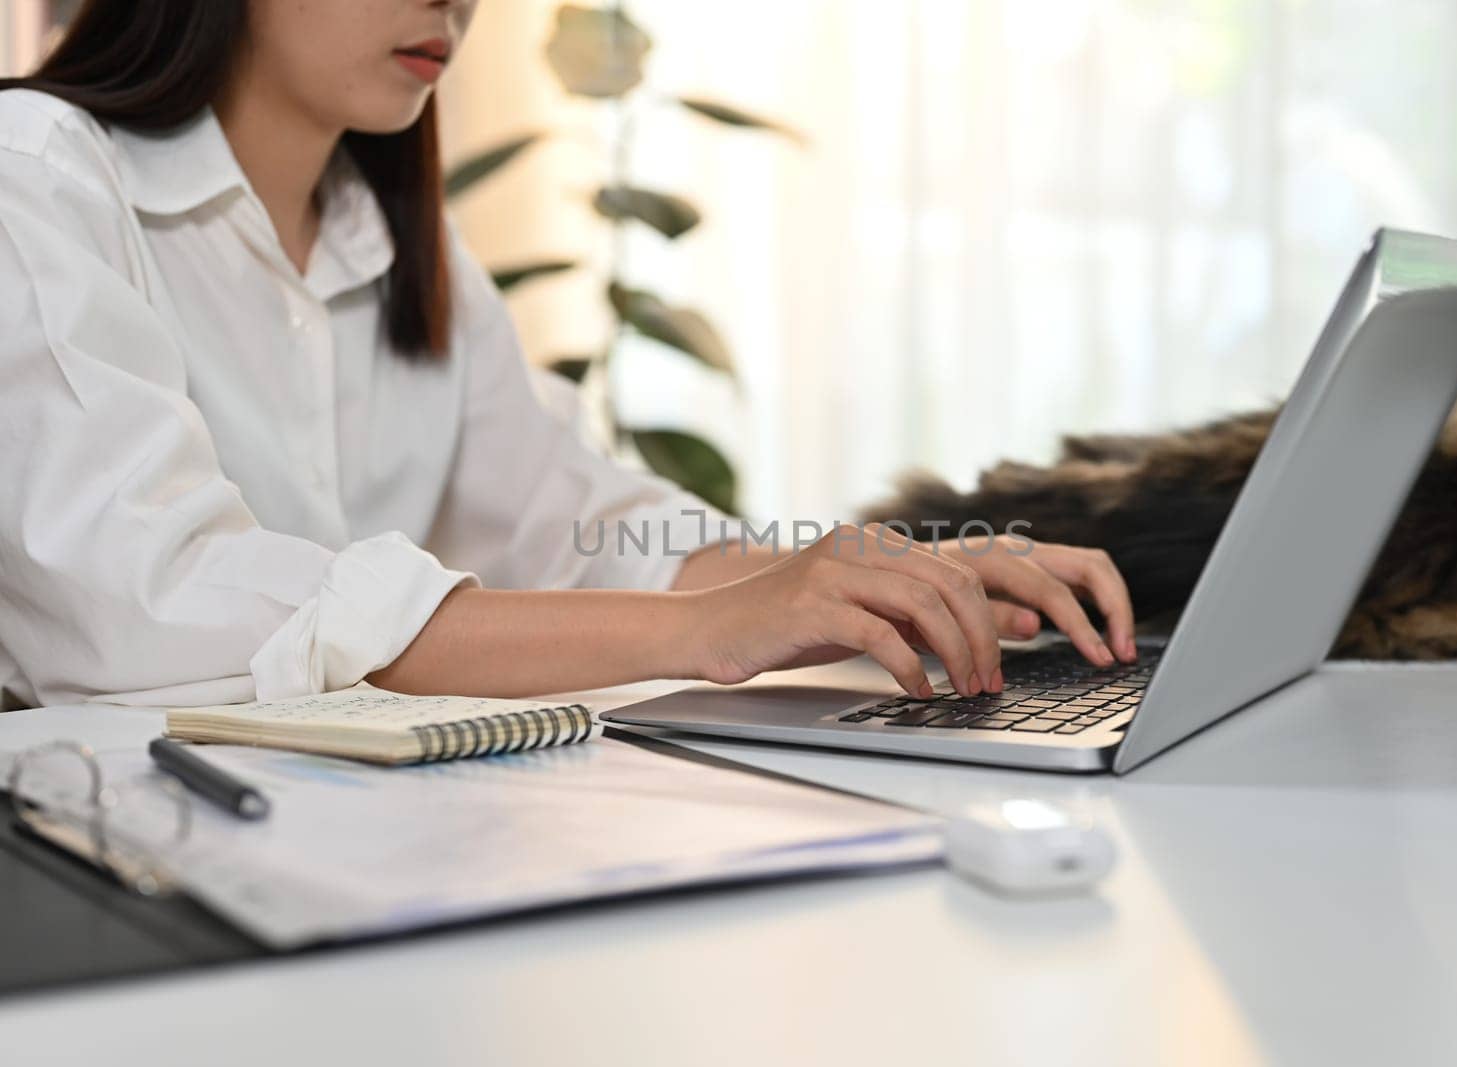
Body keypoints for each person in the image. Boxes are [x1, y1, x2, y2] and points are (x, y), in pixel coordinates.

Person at [0, 0, 1137, 713]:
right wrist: (709, 631)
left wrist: (869, 586)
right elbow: (153, 602)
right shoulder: (36, 172)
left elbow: (577, 519)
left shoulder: (395, 238)